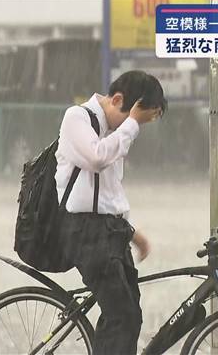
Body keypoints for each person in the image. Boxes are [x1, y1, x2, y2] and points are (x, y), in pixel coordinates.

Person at [56, 70, 167, 355]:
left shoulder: (114, 131)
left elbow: (109, 195)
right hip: (84, 233)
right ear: (117, 99)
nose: (133, 128)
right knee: (122, 317)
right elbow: (96, 158)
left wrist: (133, 233)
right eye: (136, 117)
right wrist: (131, 124)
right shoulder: (77, 118)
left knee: (130, 316)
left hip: (110, 234)